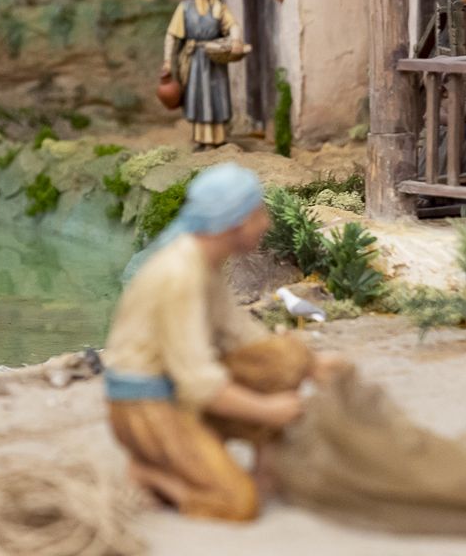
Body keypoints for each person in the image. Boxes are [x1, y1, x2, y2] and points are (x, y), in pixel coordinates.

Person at [103, 164, 341, 521]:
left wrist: (311, 364)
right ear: (235, 223)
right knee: (236, 503)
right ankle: (154, 474)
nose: (266, 223)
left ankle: (263, 463)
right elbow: (198, 382)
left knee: (286, 355)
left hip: (179, 390)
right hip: (147, 406)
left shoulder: (205, 262)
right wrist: (268, 410)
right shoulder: (178, 275)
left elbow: (241, 335)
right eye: (258, 213)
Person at [161, 0, 243, 151]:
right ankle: (200, 138)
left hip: (214, 58)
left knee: (217, 95)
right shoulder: (185, 7)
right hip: (195, 60)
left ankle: (218, 138)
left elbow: (233, 25)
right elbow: (171, 35)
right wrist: (167, 60)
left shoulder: (218, 6)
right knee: (197, 95)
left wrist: (236, 39)